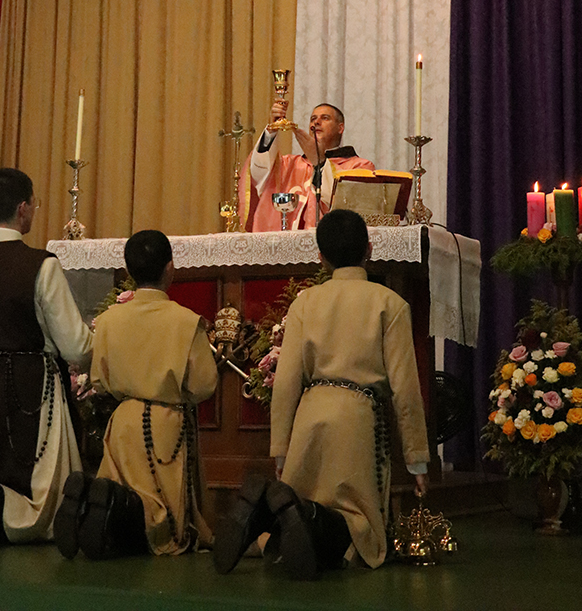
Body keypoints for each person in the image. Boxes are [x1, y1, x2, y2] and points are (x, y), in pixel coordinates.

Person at [214, 209, 429, 579]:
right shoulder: (390, 304)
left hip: (310, 417)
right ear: (369, 248)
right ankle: (308, 521)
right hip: (358, 419)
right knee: (359, 528)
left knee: (299, 500)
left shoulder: (305, 302)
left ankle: (266, 518)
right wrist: (417, 459)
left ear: (321, 257)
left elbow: (286, 381)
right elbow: (405, 387)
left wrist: (281, 449)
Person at [54, 229, 217, 559]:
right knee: (165, 521)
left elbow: (99, 379)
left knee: (122, 486)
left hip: (124, 423)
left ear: (128, 271)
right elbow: (204, 384)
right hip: (166, 428)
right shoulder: (186, 322)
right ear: (170, 268)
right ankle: (113, 517)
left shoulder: (109, 320)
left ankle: (94, 508)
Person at [0, 167, 93, 546]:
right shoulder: (41, 264)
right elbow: (76, 347)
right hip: (31, 393)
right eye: (34, 203)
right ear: (23, 209)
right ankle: (8, 514)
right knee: (40, 501)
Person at [239, 101, 374, 231]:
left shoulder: (359, 167)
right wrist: (271, 131)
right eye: (313, 119)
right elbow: (258, 172)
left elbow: (349, 209)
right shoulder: (289, 165)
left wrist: (320, 163)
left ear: (340, 128)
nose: (316, 122)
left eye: (325, 118)